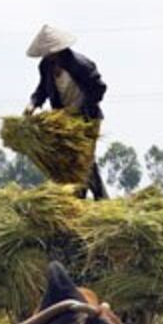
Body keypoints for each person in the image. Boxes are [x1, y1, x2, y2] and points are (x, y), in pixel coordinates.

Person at [24, 24, 109, 200]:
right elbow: (42, 89)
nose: (48, 55)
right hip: (64, 122)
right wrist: (33, 103)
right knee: (72, 160)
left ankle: (96, 198)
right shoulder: (46, 66)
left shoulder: (81, 65)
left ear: (59, 49)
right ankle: (83, 198)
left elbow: (99, 89)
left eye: (50, 52)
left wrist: (80, 109)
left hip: (87, 119)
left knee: (84, 160)